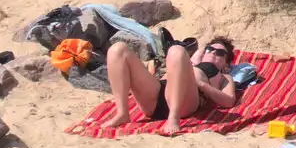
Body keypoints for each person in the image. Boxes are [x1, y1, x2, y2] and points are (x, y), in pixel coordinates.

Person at [102, 34, 244, 135]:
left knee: (176, 50)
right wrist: (199, 54)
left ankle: (173, 117)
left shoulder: (224, 76)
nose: (213, 53)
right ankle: (122, 113)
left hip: (185, 100)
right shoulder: (190, 62)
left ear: (227, 63)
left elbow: (229, 101)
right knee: (118, 49)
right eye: (210, 49)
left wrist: (202, 84)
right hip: (159, 93)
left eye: (220, 53)